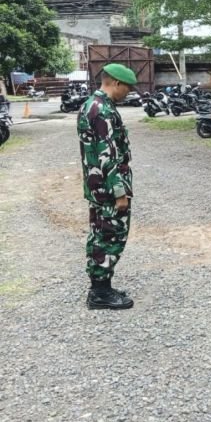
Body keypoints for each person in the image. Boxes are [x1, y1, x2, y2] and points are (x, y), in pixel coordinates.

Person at [77, 63, 137, 309]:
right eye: (128, 88)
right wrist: (120, 193)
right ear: (115, 83)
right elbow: (108, 155)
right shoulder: (103, 111)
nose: (129, 93)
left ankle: (100, 287)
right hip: (109, 188)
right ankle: (100, 293)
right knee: (111, 235)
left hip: (97, 186)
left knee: (100, 233)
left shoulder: (92, 104)